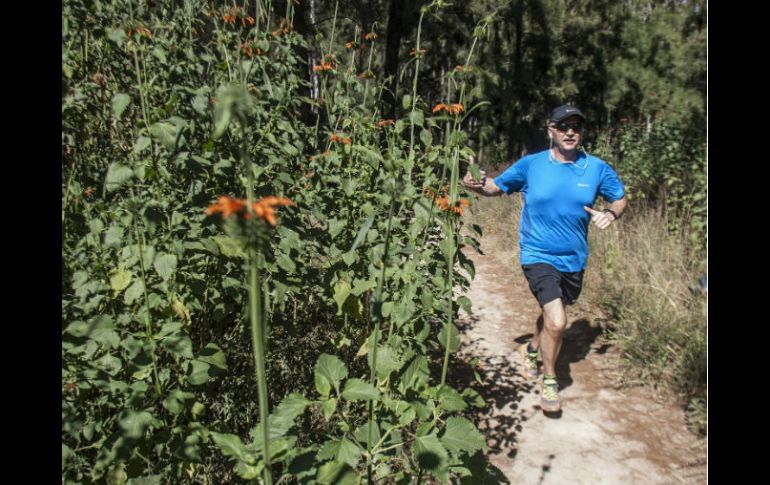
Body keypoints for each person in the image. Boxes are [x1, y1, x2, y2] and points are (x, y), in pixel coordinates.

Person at [461, 104, 628, 412]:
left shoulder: (595, 168)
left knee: (554, 314)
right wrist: (475, 183)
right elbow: (495, 186)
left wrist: (610, 214)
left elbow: (619, 197)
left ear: (582, 132)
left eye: (576, 127)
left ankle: (531, 348)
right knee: (558, 320)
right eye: (563, 126)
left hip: (574, 259)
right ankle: (550, 381)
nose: (570, 132)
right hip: (537, 253)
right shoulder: (532, 165)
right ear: (550, 130)